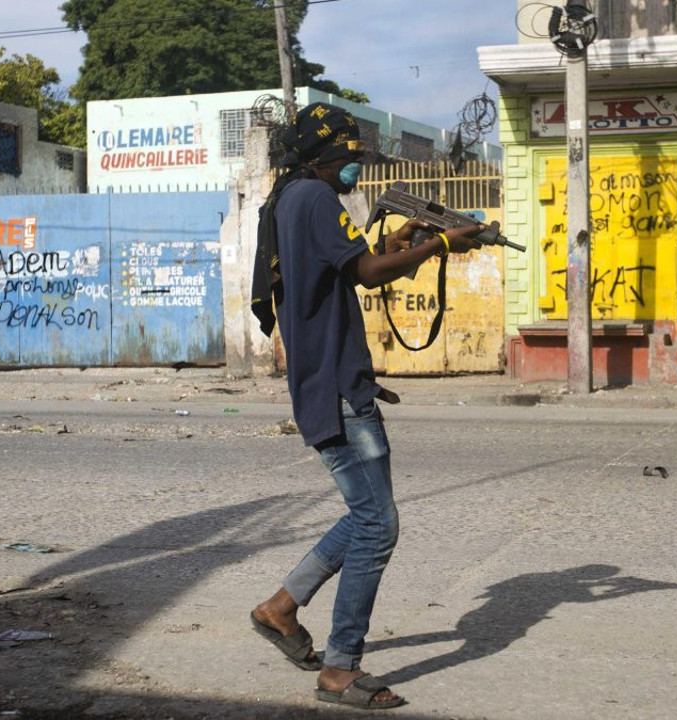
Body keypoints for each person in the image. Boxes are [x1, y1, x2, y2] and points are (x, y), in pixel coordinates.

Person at [248, 102, 489, 710]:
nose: (356, 166)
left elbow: (348, 272)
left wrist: (400, 238)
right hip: (334, 389)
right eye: (351, 157)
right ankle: (339, 668)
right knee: (378, 526)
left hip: (333, 380)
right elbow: (370, 273)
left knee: (364, 516)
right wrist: (438, 242)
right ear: (327, 156)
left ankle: (280, 609)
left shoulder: (291, 200)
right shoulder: (314, 199)